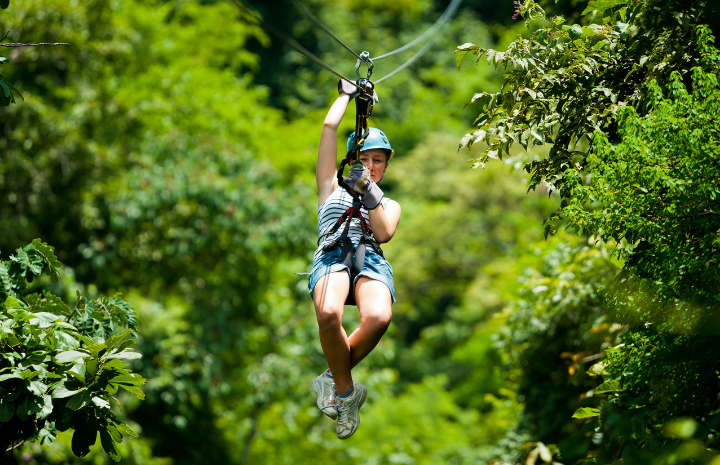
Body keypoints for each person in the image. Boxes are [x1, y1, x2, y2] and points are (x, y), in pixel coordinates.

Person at [308, 80, 401, 439]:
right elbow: (329, 128)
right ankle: (347, 393)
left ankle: (333, 377)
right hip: (333, 253)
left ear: (385, 168)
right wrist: (346, 96)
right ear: (351, 160)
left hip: (370, 259)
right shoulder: (329, 186)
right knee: (329, 314)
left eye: (378, 161)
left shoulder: (389, 203)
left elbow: (384, 233)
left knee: (378, 317)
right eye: (364, 159)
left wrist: (369, 191)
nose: (371, 165)